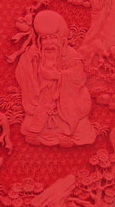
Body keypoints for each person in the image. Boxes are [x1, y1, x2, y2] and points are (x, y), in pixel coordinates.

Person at [15, 10, 96, 147]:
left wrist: (58, 76)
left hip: (66, 100)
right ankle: (41, 134)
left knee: (75, 121)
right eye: (44, 39)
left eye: (52, 38)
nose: (48, 43)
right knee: (37, 117)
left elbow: (79, 77)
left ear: (61, 40)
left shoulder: (70, 55)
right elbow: (23, 73)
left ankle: (68, 134)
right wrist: (28, 60)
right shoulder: (36, 54)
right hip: (43, 99)